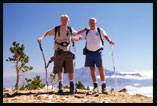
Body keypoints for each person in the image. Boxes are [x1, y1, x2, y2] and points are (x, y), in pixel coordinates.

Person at [37, 14, 88, 94]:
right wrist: (41, 38)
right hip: (58, 51)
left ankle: (71, 85)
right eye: (62, 19)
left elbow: (77, 33)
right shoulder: (56, 29)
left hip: (67, 51)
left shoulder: (70, 29)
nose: (64, 21)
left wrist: (84, 29)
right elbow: (47, 33)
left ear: (68, 21)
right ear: (60, 20)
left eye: (65, 20)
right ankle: (60, 86)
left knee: (70, 69)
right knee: (59, 69)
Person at [71, 17, 115, 94]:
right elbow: (80, 37)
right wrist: (75, 39)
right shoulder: (87, 31)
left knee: (101, 68)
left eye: (93, 22)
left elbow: (105, 36)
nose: (92, 24)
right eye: (91, 22)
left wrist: (110, 41)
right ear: (89, 23)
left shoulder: (99, 30)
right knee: (92, 69)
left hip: (98, 51)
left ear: (96, 23)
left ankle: (103, 87)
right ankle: (95, 86)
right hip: (89, 52)